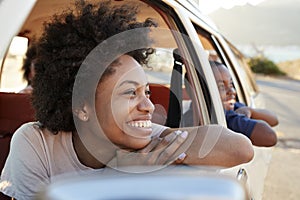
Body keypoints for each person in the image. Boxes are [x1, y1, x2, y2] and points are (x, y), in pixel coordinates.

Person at [0, 1, 254, 199]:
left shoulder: (143, 137)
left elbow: (241, 148)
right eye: (130, 93)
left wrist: (164, 145)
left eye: (147, 92)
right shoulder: (36, 143)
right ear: (82, 107)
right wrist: (118, 172)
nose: (149, 106)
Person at [210, 61, 278, 147]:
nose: (232, 91)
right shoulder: (227, 117)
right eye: (221, 86)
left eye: (231, 84)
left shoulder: (233, 106)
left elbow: (274, 120)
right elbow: (270, 137)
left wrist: (250, 110)